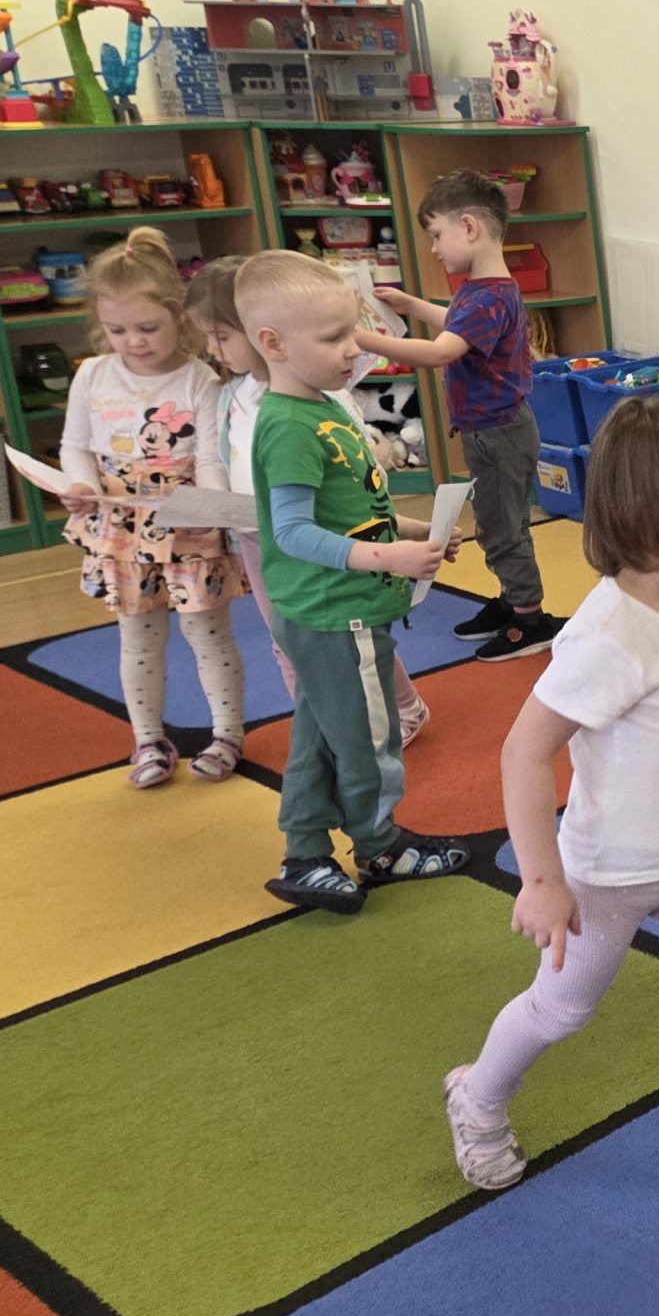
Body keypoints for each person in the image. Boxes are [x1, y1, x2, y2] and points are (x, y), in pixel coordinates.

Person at [442, 401, 659, 1192]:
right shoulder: (610, 637)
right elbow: (524, 750)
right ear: (649, 515)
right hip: (606, 877)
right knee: (561, 1009)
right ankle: (477, 1097)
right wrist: (542, 881)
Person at [241, 251, 470, 914]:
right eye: (333, 338)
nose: (354, 348)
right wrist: (387, 558)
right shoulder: (289, 425)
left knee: (318, 735)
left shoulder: (323, 406)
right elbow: (292, 531)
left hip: (330, 609)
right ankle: (380, 846)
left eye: (353, 331)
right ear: (273, 344)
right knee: (370, 738)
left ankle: (305, 854)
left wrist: (411, 528)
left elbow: (347, 505)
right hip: (335, 611)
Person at [189, 256, 428, 745]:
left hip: (328, 535)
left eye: (221, 336)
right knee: (290, 640)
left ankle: (401, 707)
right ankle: (324, 730)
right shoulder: (229, 396)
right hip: (261, 538)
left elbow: (358, 470)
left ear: (261, 335)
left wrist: (394, 529)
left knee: (356, 632)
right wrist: (213, 505)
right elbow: (216, 456)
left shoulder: (317, 398)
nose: (211, 350)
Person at [56, 228, 248, 788]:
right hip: (121, 527)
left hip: (188, 523)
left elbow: (209, 458)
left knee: (207, 634)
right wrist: (78, 484)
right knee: (138, 639)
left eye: (147, 328)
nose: (133, 342)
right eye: (117, 331)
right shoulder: (92, 375)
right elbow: (75, 445)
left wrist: (209, 509)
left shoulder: (200, 379)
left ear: (178, 316)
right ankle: (147, 740)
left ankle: (228, 734)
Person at [372, 170, 559, 662]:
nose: (434, 249)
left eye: (437, 235)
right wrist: (410, 305)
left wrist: (361, 339)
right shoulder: (485, 291)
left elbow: (441, 351)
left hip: (499, 433)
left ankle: (530, 620)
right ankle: (512, 599)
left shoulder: (488, 295)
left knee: (503, 529)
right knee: (500, 522)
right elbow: (456, 325)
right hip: (494, 430)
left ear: (470, 227)